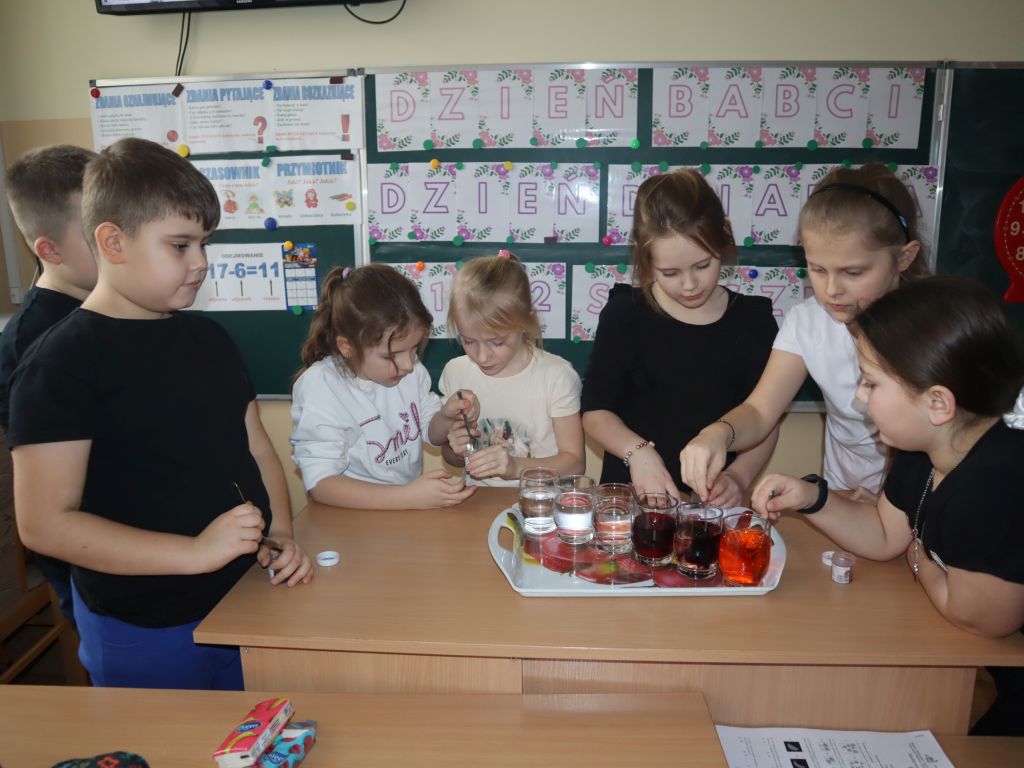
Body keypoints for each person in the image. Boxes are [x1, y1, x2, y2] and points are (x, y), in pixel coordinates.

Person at [7, 137, 312, 691]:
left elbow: (256, 448)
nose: (201, 263)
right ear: (113, 242)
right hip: (145, 625)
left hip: (245, 597)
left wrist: (283, 533)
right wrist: (194, 552)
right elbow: (45, 524)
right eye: (180, 245)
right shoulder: (61, 363)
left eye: (204, 244)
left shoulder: (210, 339)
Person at [750, 275, 1024, 736]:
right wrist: (813, 498)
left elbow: (979, 618)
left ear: (938, 403)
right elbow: (883, 536)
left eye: (871, 383)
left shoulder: (995, 484)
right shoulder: (923, 448)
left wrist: (916, 553)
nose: (859, 396)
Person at [680, 163, 928, 502]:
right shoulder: (808, 321)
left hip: (914, 496)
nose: (832, 289)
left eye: (853, 272)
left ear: (904, 257)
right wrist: (718, 434)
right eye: (817, 269)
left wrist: (890, 499)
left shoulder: (932, 327)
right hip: (844, 491)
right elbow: (760, 411)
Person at [581, 169, 778, 506]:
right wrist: (638, 453)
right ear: (645, 259)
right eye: (670, 273)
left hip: (709, 507)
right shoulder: (624, 314)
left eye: (702, 266)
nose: (689, 285)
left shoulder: (753, 322)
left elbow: (765, 420)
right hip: (630, 501)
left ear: (724, 239)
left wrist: (739, 477)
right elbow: (595, 412)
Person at [0, 145, 96, 622]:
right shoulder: (32, 345)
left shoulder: (117, 310)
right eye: (95, 230)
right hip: (91, 570)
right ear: (49, 250)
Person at [290, 263, 477, 509]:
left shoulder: (408, 371)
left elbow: (431, 432)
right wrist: (408, 496)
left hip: (401, 507)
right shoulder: (322, 387)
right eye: (391, 356)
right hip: (348, 515)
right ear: (347, 347)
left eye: (414, 349)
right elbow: (321, 484)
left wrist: (446, 416)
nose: (408, 364)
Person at [440, 251, 585, 485]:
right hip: (479, 499)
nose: (482, 356)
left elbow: (575, 463)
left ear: (525, 323)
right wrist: (456, 449)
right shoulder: (455, 372)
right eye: (468, 341)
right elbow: (450, 456)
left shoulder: (556, 376)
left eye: (497, 342)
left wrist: (516, 467)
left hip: (540, 501)